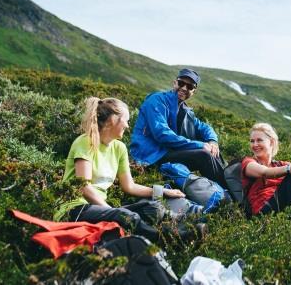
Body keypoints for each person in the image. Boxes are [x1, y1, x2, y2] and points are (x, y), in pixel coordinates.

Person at [54, 97, 186, 243]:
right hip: (75, 209)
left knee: (151, 207)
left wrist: (163, 191)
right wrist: (112, 211)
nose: (128, 126)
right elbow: (83, 187)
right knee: (126, 216)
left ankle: (185, 222)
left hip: (98, 208)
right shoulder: (85, 142)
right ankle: (169, 240)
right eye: (126, 120)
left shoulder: (119, 148)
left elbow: (129, 186)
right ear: (112, 120)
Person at [131, 68, 226, 187]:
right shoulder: (157, 100)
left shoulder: (185, 111)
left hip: (167, 153)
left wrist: (213, 141)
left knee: (214, 151)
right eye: (181, 83)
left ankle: (230, 188)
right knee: (204, 155)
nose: (184, 88)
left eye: (190, 86)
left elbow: (204, 127)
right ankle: (228, 195)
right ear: (174, 83)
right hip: (150, 156)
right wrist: (201, 145)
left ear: (194, 91)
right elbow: (162, 134)